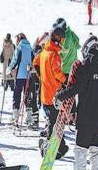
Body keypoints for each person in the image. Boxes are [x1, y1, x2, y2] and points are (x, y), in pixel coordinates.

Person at [55, 35, 98, 169]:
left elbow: (77, 87)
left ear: (86, 48)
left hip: (85, 117)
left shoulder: (86, 64)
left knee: (80, 151)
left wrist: (60, 96)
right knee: (95, 151)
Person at [33, 27, 68, 159]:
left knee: (54, 121)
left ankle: (60, 146)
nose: (63, 42)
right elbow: (57, 73)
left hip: (45, 94)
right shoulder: (54, 55)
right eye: (62, 39)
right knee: (55, 123)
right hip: (54, 95)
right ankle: (51, 146)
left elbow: (35, 62)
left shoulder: (44, 52)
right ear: (57, 38)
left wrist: (41, 75)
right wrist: (66, 81)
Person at [6, 33, 32, 126]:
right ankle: (29, 117)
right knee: (27, 95)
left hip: (20, 75)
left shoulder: (19, 48)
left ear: (19, 39)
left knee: (16, 94)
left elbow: (15, 60)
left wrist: (9, 68)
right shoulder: (30, 48)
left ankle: (15, 116)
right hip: (28, 75)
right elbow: (33, 59)